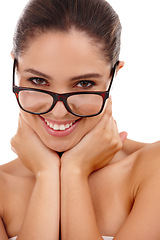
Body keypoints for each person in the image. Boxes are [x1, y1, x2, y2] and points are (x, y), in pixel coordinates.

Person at [0, 0, 160, 239]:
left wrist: (74, 172)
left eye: (84, 84)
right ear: (16, 70)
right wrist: (47, 173)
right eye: (38, 81)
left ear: (113, 76)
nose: (59, 112)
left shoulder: (151, 168)